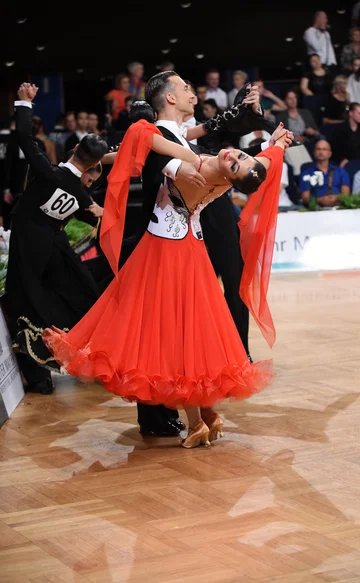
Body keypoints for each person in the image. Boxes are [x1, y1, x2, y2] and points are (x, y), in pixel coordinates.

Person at [43, 86, 292, 449]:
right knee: (193, 332)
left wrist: (148, 135)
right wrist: (278, 145)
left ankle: (195, 423)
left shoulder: (197, 168)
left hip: (163, 251)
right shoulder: (236, 176)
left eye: (235, 161)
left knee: (172, 334)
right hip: (191, 247)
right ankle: (207, 414)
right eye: (238, 153)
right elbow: (265, 162)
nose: (232, 154)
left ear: (232, 176)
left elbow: (150, 141)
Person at [5, 82, 108, 395]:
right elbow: (97, 215)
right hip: (56, 247)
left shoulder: (48, 172)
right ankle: (95, 356)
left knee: (25, 302)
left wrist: (24, 103)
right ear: (92, 166)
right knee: (79, 294)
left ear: (75, 150)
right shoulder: (81, 195)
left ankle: (38, 376)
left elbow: (24, 137)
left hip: (27, 246)